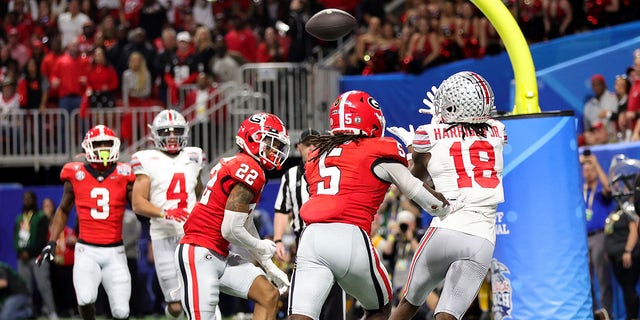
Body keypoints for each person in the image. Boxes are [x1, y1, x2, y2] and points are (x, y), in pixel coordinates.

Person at [289, 90, 458, 320]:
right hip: (349, 235)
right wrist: (445, 207)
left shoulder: (318, 153)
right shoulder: (378, 149)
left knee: (301, 315)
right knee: (380, 307)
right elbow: (413, 189)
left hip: (311, 237)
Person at [387, 71, 506, 320]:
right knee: (448, 315)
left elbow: (415, 179)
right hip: (482, 237)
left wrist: (414, 149)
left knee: (408, 304)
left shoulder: (429, 134)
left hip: (447, 227)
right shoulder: (498, 131)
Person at [176, 112, 291, 320]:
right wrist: (261, 246)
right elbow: (230, 229)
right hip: (199, 251)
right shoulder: (249, 168)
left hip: (219, 252)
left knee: (268, 295)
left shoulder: (244, 164)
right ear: (252, 139)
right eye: (270, 142)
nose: (275, 150)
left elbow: (244, 225)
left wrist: (268, 264)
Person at [36, 124, 135, 320]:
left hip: (115, 250)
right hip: (86, 249)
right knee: (85, 299)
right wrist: (52, 241)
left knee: (121, 312)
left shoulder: (125, 173)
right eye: (98, 144)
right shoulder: (75, 173)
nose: (103, 149)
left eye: (107, 143)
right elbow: (64, 209)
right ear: (88, 147)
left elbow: (138, 205)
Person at [130, 109, 206, 319]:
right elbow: (137, 203)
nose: (172, 136)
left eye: (176, 131)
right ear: (154, 133)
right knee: (174, 304)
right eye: (165, 132)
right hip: (163, 235)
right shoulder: (146, 158)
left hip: (191, 234)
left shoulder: (194, 155)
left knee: (199, 291)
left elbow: (199, 191)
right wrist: (165, 213)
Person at [272, 128, 346, 320]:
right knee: (300, 303)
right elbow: (282, 210)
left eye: (317, 143)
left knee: (334, 303)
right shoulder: (291, 175)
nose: (313, 148)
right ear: (299, 147)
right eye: (308, 144)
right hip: (303, 240)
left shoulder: (334, 169)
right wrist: (278, 239)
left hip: (332, 239)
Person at [605, 155, 640, 320]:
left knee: (629, 289)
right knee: (626, 289)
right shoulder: (618, 206)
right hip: (616, 257)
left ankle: (632, 317)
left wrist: (627, 251)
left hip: (628, 256)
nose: (618, 186)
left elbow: (634, 228)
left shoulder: (630, 205)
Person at [13, 191, 57, 320]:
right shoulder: (19, 218)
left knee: (43, 285)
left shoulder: (40, 216)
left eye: (29, 198)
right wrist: (20, 251)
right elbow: (15, 237)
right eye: (25, 198)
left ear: (34, 200)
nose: (27, 200)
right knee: (25, 287)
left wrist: (29, 252)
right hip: (22, 258)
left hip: (38, 256)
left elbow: (42, 238)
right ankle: (28, 312)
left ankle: (51, 311)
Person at [580, 151, 614, 318]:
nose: (588, 172)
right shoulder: (581, 190)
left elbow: (609, 188)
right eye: (585, 169)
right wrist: (580, 162)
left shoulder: (601, 191)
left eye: (591, 169)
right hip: (583, 238)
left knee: (602, 277)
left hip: (599, 236)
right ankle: (592, 313)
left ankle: (607, 312)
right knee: (586, 279)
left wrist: (595, 163)